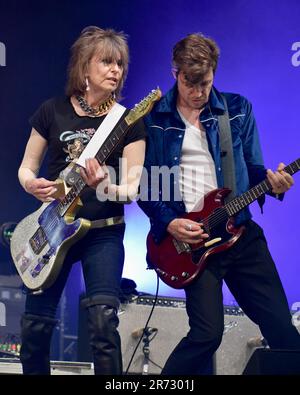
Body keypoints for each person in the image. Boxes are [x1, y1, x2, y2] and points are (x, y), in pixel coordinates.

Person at [138, 33, 300, 375]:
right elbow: (145, 186)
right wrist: (169, 223)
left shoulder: (237, 109)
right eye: (190, 83)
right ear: (175, 73)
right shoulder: (155, 121)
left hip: (240, 233)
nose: (199, 92)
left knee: (283, 332)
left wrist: (275, 184)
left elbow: (256, 171)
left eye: (206, 83)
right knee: (207, 335)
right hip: (193, 241)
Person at [17, 26, 146, 375]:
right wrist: (32, 184)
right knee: (35, 329)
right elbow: (27, 167)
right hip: (53, 228)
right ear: (84, 68)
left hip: (103, 231)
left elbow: (132, 187)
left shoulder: (128, 121)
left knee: (104, 323)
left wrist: (106, 186)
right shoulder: (52, 110)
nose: (115, 70)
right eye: (106, 62)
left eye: (120, 63)